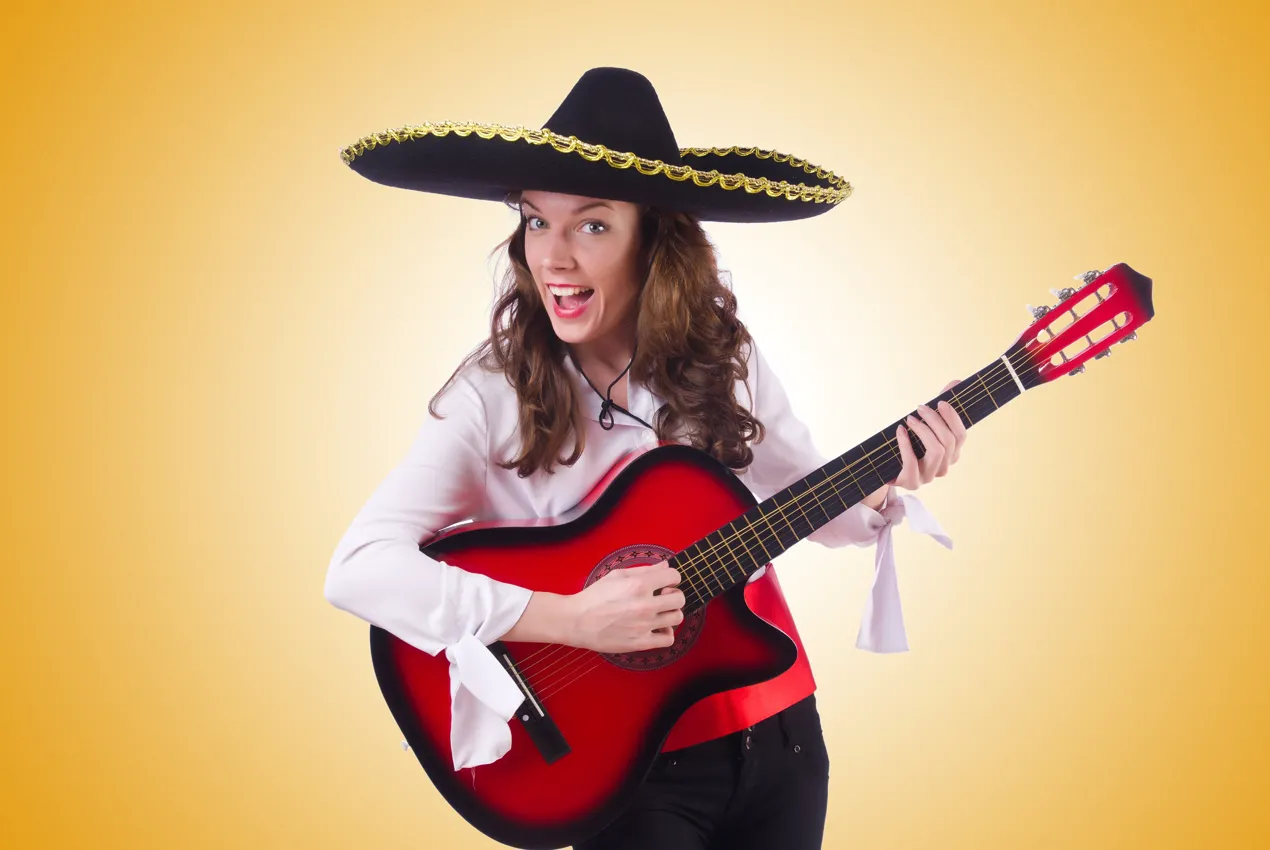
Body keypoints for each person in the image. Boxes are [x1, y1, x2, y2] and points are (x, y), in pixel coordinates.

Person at [326, 67, 967, 850]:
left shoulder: (722, 356)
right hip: (627, 771)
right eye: (536, 223)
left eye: (591, 226)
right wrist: (570, 619)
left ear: (654, 242)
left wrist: (883, 487)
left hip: (782, 737)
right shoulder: (489, 393)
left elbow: (799, 496)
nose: (552, 258)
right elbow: (359, 567)